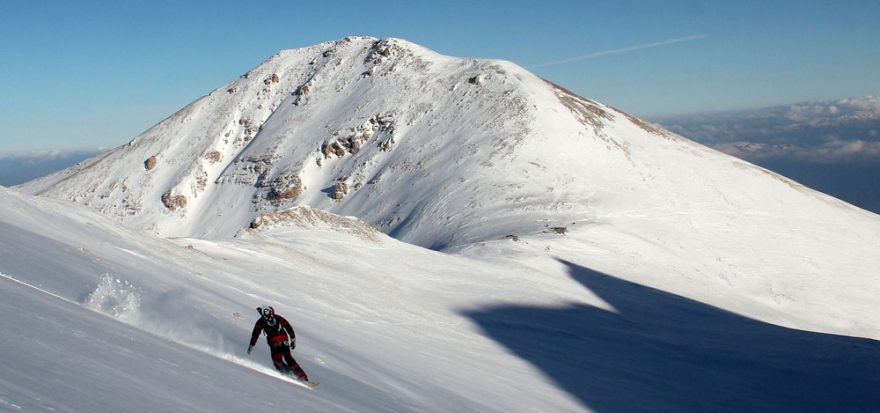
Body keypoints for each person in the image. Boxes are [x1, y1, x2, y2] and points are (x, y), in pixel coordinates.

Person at [247, 305, 309, 382]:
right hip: (284, 340)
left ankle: (289, 374)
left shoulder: (260, 322)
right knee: (289, 358)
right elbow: (288, 327)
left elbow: (255, 334)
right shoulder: (278, 317)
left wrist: (251, 345)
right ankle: (302, 376)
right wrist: (293, 339)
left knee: (277, 360)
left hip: (274, 342)